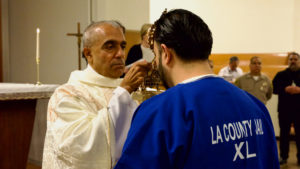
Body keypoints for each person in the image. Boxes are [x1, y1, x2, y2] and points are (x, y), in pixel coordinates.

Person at [114, 9, 279, 169]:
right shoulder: (256, 106)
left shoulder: (159, 111)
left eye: (155, 55)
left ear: (165, 53)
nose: (155, 63)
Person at [42, 21, 151, 169]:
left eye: (123, 46)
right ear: (88, 54)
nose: (120, 54)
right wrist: (123, 91)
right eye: (110, 46)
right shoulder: (67, 94)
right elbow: (78, 147)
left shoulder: (132, 90)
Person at [273, 52, 300, 165]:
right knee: (284, 135)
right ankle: (283, 156)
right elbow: (274, 89)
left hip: (299, 110)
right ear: (288, 61)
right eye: (291, 59)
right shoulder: (280, 74)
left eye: (295, 59)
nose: (292, 61)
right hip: (284, 110)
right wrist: (285, 89)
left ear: (299, 61)